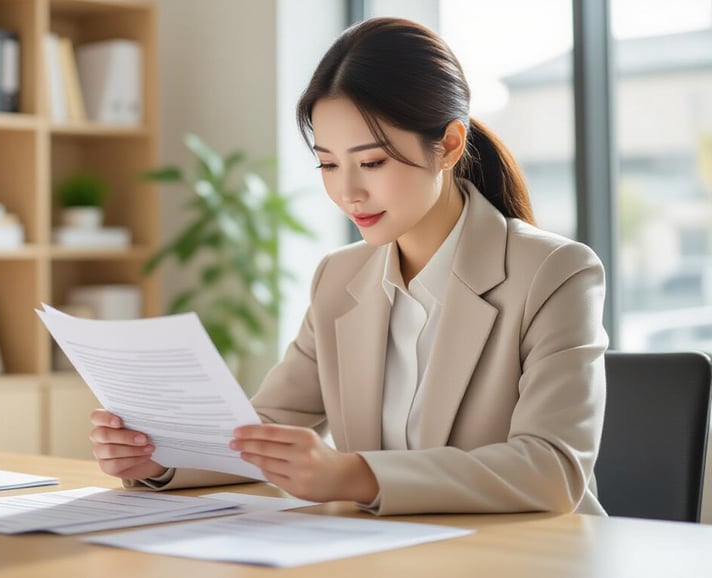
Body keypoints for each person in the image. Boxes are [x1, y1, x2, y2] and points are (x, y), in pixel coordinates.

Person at [89, 17, 608, 515]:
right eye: (329, 163)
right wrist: (159, 458)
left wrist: (357, 475)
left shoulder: (555, 271)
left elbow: (552, 468)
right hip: (389, 554)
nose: (348, 192)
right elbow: (265, 428)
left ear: (449, 145)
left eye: (373, 161)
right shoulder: (339, 279)